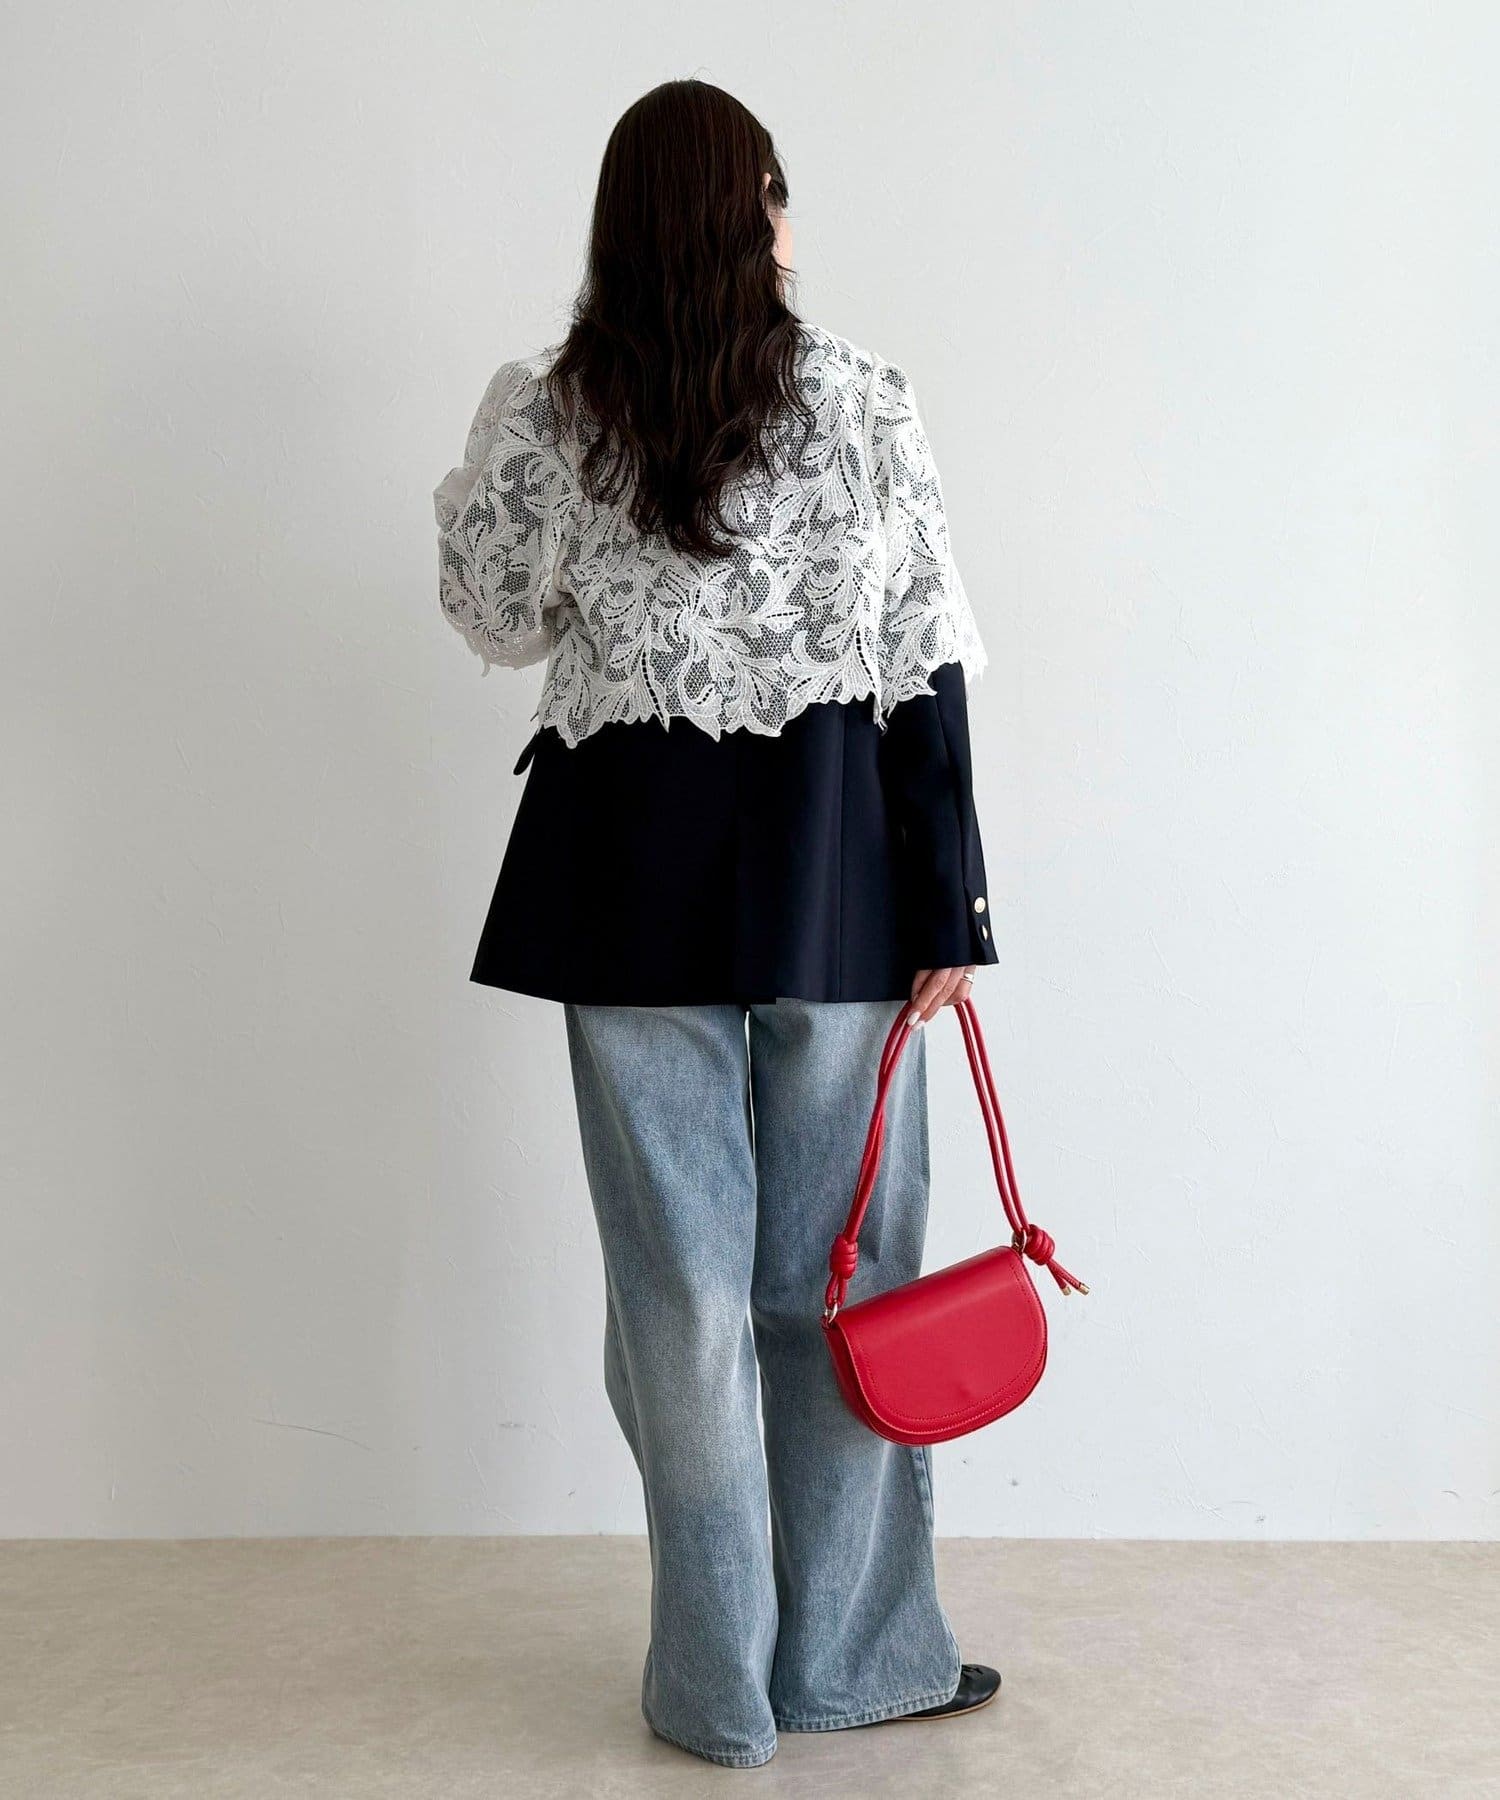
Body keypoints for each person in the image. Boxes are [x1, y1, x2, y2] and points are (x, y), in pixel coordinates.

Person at [432, 77, 1001, 1771]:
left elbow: (491, 611)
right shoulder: (864, 398)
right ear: (755, 210)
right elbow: (923, 655)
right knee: (844, 1280)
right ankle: (847, 1661)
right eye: (780, 191)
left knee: (677, 1299)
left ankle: (713, 1689)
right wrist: (957, 902)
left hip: (623, 887)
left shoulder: (552, 411)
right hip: (840, 883)